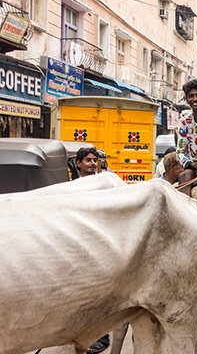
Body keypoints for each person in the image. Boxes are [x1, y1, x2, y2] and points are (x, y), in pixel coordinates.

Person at [72, 147, 110, 354]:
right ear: (78, 163)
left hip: (98, 246)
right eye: (88, 160)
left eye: (95, 160)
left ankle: (101, 336)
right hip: (77, 246)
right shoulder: (71, 187)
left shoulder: (103, 185)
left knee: (99, 295)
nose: (92, 164)